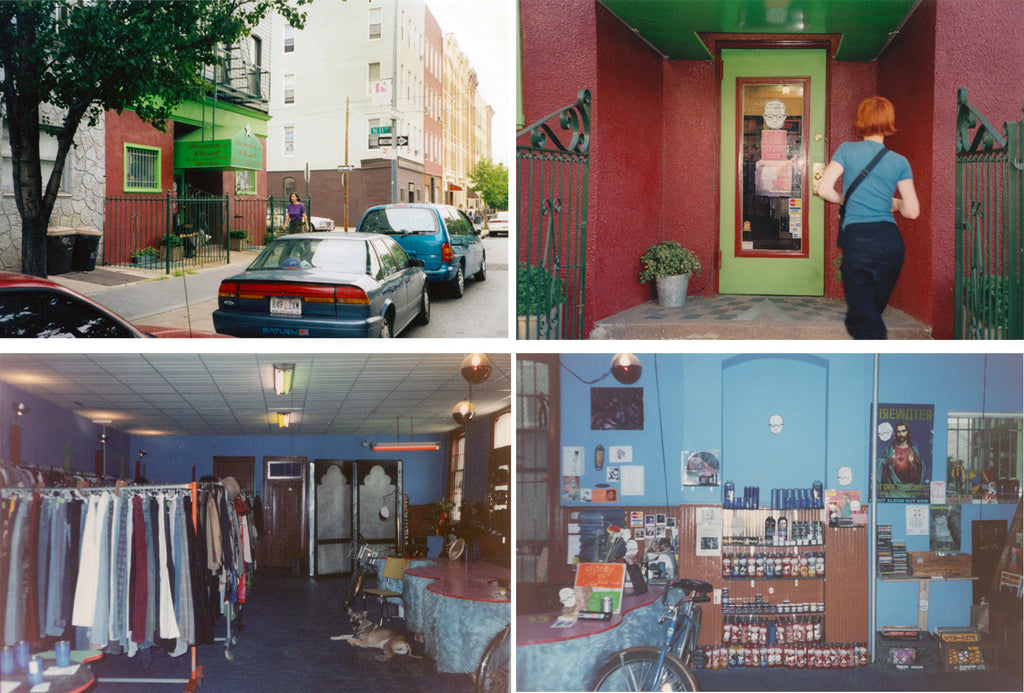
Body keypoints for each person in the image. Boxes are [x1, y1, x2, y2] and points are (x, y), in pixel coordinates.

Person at [816, 96, 920, 339]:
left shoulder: (847, 150)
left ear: (860, 121)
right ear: (889, 122)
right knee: (871, 314)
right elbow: (912, 211)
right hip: (890, 242)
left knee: (863, 320)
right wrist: (893, 202)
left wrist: (844, 199)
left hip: (860, 241)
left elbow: (823, 190)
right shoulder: (899, 161)